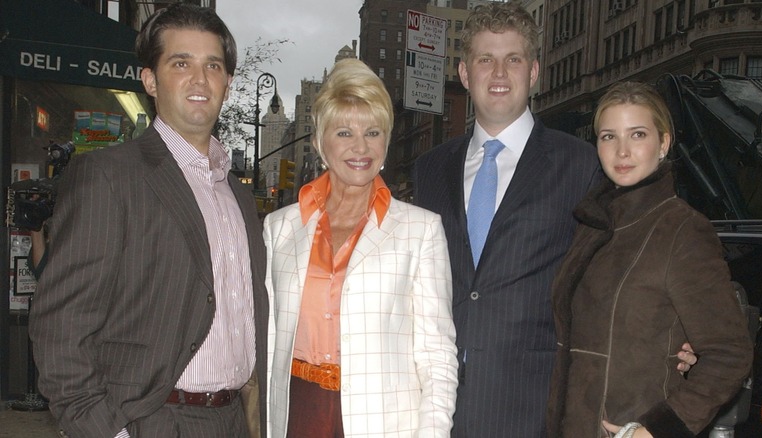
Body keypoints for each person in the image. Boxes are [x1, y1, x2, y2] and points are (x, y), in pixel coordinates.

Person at [413, 3, 698, 437]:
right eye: (485, 60)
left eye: (514, 59)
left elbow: (627, 261)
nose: (499, 73)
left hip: (534, 409)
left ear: (534, 73)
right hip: (431, 408)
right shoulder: (429, 170)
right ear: (465, 74)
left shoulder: (582, 164)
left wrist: (680, 329)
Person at [29, 4, 268, 438]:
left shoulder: (239, 196)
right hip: (151, 421)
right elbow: (61, 327)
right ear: (150, 80)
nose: (200, 79)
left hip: (234, 419)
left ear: (228, 83)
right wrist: (107, 431)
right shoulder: (108, 176)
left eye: (212, 65)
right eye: (181, 63)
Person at [546, 81, 753, 438]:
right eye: (609, 137)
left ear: (664, 143)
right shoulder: (592, 225)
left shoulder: (682, 229)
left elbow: (729, 354)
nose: (622, 151)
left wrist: (656, 430)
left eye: (637, 134)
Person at [264, 58, 458, 437]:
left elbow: (437, 356)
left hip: (384, 421)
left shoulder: (421, 231)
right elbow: (269, 339)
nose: (360, 147)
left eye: (372, 132)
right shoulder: (280, 228)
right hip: (298, 411)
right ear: (320, 142)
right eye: (343, 133)